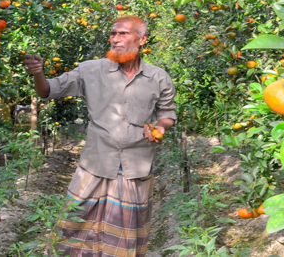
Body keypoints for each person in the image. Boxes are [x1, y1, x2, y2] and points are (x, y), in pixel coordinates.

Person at [23, 15, 176, 256]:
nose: (115, 39)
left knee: (124, 233)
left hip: (135, 167)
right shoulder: (90, 70)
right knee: (74, 226)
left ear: (142, 39)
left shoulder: (158, 78)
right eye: (113, 33)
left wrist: (160, 127)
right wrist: (38, 73)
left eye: (123, 33)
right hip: (95, 163)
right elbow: (48, 91)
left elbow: (167, 114)